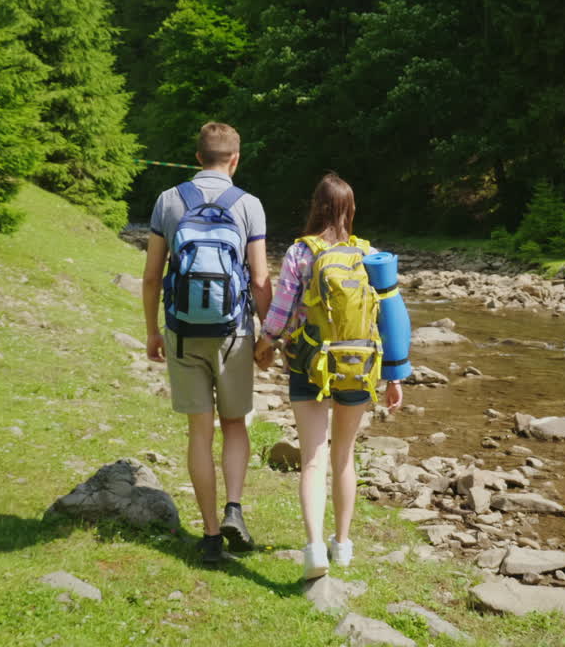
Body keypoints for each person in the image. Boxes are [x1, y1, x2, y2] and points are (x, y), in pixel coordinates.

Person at [254, 172, 402, 580]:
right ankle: (344, 545)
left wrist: (264, 342)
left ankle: (315, 547)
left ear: (315, 207)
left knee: (314, 460)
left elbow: (282, 312)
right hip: (359, 366)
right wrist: (394, 376)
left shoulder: (301, 252)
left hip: (309, 366)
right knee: (345, 458)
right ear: (350, 210)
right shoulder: (369, 254)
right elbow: (389, 319)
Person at [142, 122, 272, 566]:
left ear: (197, 157)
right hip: (233, 332)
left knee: (200, 431)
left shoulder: (169, 200)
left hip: (182, 330)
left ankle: (212, 535)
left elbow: (152, 275)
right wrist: (268, 334)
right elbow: (258, 279)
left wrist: (152, 331)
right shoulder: (249, 205)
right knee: (234, 424)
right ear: (235, 159)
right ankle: (235, 507)